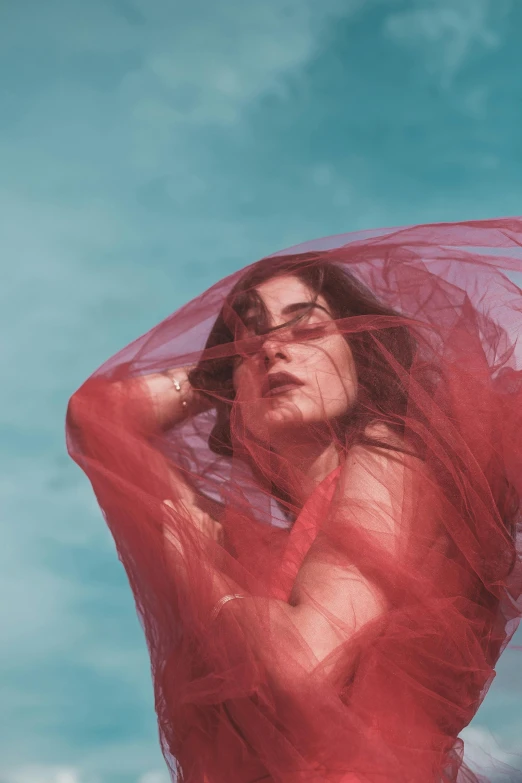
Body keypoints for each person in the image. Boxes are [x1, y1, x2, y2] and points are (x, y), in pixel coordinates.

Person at [66, 218, 522, 783]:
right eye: (249, 341)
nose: (273, 350)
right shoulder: (245, 545)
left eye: (305, 330)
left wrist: (199, 567)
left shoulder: (395, 456)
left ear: (361, 357)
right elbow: (94, 415)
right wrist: (214, 371)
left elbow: (306, 662)